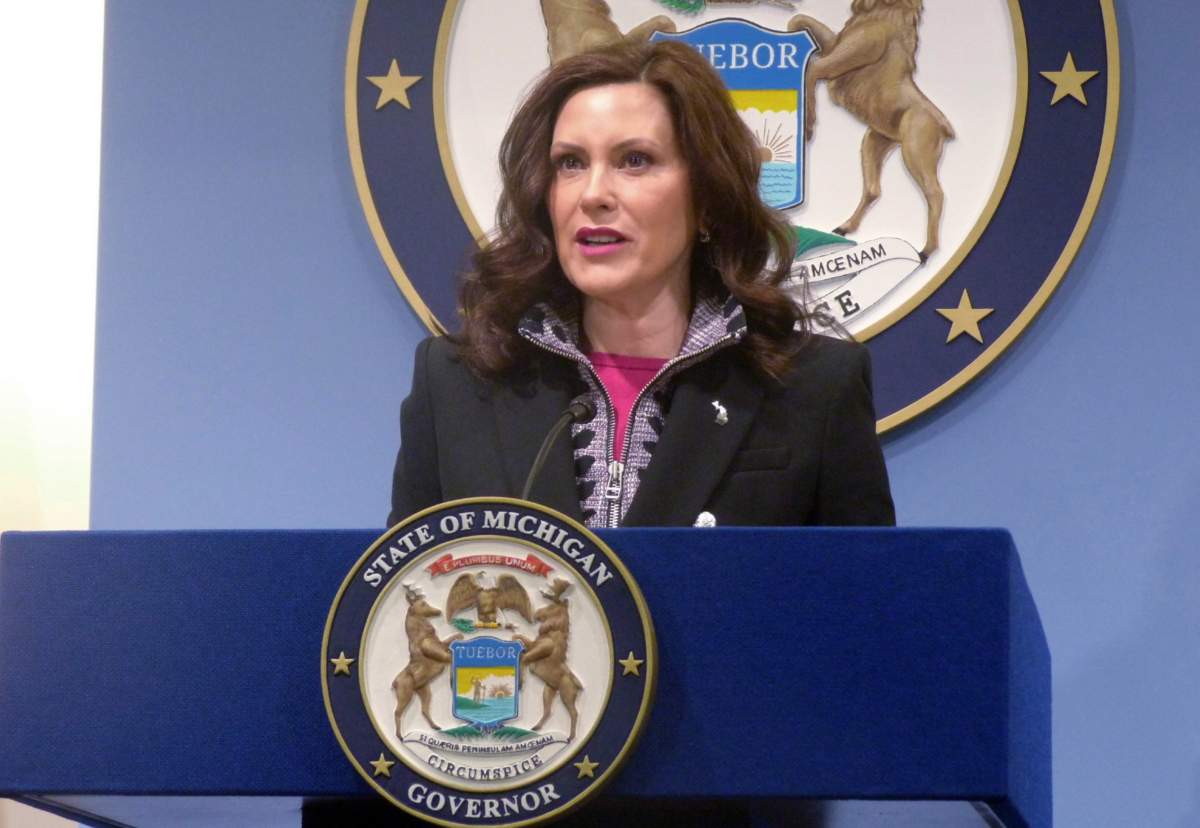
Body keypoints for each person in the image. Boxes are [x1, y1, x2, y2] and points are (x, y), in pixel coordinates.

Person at [388, 39, 894, 529]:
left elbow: (864, 604)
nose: (593, 194)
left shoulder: (816, 387)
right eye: (570, 163)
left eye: (635, 160)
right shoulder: (455, 383)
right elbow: (407, 598)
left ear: (706, 200)